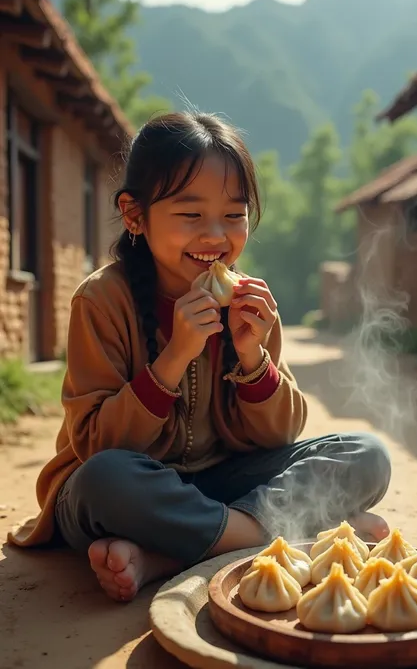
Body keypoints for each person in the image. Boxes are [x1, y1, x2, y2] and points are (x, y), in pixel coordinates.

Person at [9, 112, 391, 602]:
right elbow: (96, 447)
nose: (216, 235)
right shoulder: (101, 301)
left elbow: (280, 435)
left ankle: (169, 556)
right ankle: (279, 534)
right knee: (104, 481)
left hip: (220, 486)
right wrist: (174, 357)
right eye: (190, 215)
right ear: (134, 216)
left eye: (234, 215)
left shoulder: (248, 301)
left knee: (366, 455)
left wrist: (254, 359)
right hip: (136, 495)